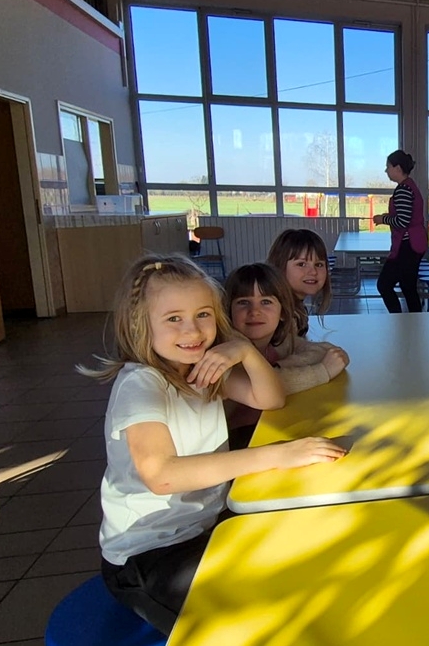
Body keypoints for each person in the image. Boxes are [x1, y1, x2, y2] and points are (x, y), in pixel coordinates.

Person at [79, 255, 346, 635]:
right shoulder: (141, 384)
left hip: (203, 528)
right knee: (256, 625)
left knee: (303, 565)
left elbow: (270, 398)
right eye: (174, 318)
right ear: (141, 324)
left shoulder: (199, 370)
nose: (193, 329)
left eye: (203, 314)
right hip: (148, 555)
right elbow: (162, 475)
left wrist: (245, 351)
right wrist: (278, 454)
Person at [223, 263, 349, 449]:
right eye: (243, 302)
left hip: (267, 426)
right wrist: (323, 371)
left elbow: (325, 350)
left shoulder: (279, 341)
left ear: (282, 312)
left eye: (266, 302)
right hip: (236, 442)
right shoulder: (228, 349)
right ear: (228, 311)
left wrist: (280, 366)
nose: (254, 311)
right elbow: (270, 386)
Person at [373, 150, 428, 313]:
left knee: (384, 284)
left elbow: (402, 221)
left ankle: (398, 318)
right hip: (415, 243)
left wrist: (383, 219)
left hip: (408, 246)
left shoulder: (403, 189)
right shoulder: (409, 186)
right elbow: (405, 216)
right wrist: (389, 216)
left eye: (388, 167)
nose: (386, 171)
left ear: (397, 168)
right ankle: (414, 321)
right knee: (407, 286)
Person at [266, 228, 332, 336]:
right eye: (301, 264)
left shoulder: (297, 308)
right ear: (280, 266)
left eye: (319, 264)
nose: (313, 272)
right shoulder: (276, 314)